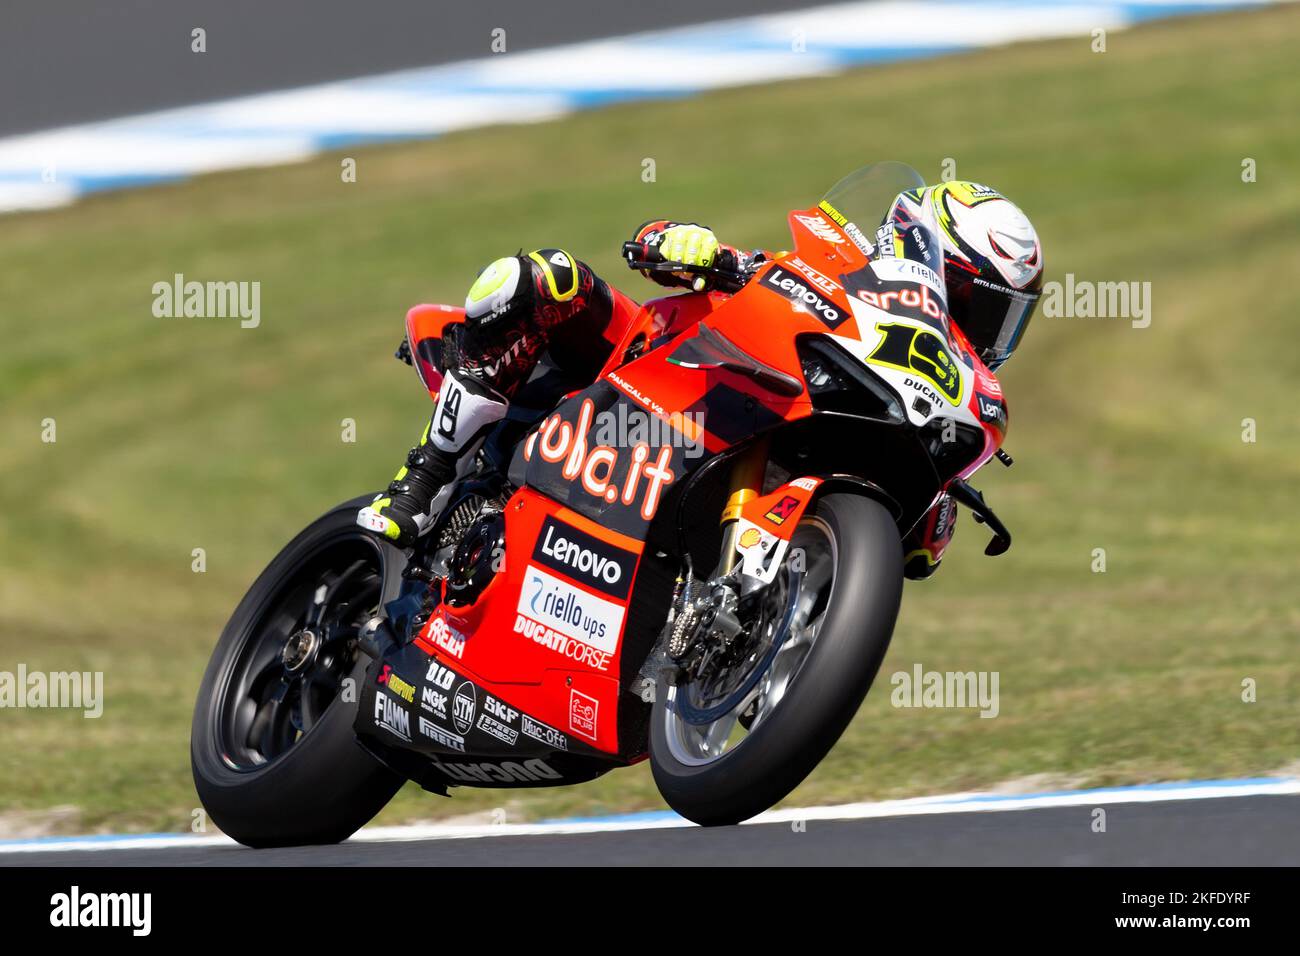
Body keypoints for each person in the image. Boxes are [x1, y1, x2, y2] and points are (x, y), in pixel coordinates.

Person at [357, 183, 1043, 580]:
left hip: (730, 456)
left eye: (1001, 320)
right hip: (638, 374)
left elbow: (909, 561)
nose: (980, 331)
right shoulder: (832, 276)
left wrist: (931, 501)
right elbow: (655, 245)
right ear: (923, 253)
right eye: (976, 301)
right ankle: (426, 478)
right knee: (541, 277)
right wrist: (687, 247)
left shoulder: (922, 394)